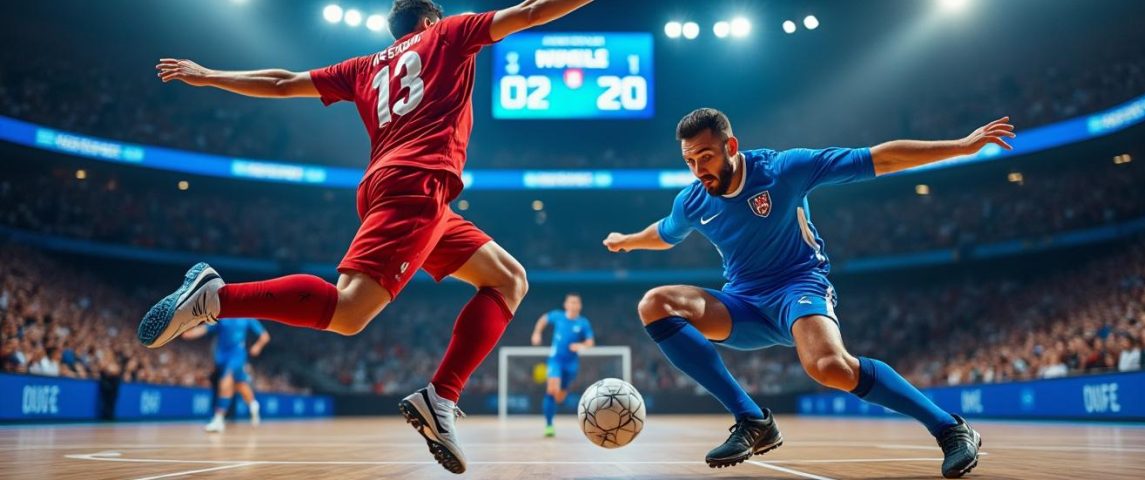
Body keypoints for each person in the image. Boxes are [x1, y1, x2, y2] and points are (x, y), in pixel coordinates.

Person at [140, 0, 593, 473]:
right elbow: (533, 11)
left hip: (399, 186)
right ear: (430, 20)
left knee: (507, 278)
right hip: (419, 184)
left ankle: (439, 398)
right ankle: (217, 297)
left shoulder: (363, 66)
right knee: (349, 312)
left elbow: (281, 82)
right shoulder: (450, 34)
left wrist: (209, 74)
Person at [603, 108, 1014, 478]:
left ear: (731, 146)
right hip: (743, 304)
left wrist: (961, 147)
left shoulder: (784, 169)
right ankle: (753, 420)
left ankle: (950, 429)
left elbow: (877, 158)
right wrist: (628, 241)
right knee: (655, 303)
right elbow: (664, 232)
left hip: (798, 286)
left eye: (706, 156)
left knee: (831, 368)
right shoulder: (692, 200)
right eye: (689, 160)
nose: (698, 169)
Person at [182, 318, 270, 433]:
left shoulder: (247, 318)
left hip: (238, 355)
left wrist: (257, 346)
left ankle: (219, 419)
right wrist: (189, 334)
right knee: (240, 385)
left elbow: (265, 336)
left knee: (226, 379)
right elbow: (204, 329)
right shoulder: (222, 318)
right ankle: (253, 405)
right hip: (222, 358)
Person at [530, 293, 594, 437]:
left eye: (576, 303)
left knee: (560, 396)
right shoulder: (558, 316)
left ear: (580, 306)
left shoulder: (583, 323)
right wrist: (537, 333)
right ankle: (549, 425)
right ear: (566, 305)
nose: (573, 305)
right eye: (571, 302)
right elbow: (543, 319)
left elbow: (590, 342)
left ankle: (555, 402)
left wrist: (581, 345)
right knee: (552, 389)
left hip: (571, 364)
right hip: (556, 360)